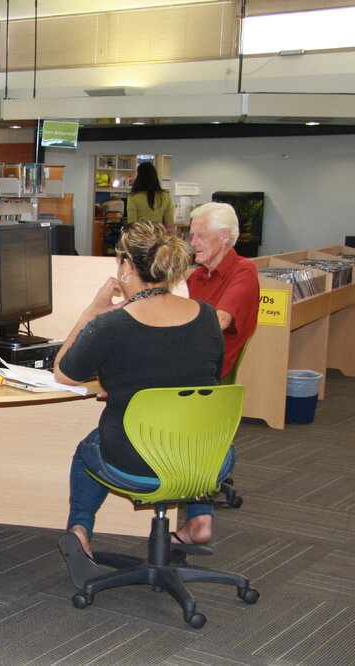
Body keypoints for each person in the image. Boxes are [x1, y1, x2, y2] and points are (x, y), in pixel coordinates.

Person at [53, 220, 230, 564]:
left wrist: (92, 311)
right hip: (208, 457)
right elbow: (206, 380)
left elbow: (63, 373)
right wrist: (124, 387)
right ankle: (200, 518)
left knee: (90, 446)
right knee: (190, 431)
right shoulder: (207, 315)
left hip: (136, 460)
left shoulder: (112, 323)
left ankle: (80, 532)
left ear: (127, 266)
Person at [186, 202, 260, 379]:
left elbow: (221, 321)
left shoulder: (244, 270)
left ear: (225, 235)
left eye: (200, 236)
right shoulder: (197, 276)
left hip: (208, 367)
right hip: (190, 358)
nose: (193, 243)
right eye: (192, 236)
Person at [127, 162, 174, 234]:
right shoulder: (165, 196)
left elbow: (132, 224)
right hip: (159, 236)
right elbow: (170, 224)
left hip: (141, 237)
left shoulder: (133, 197)